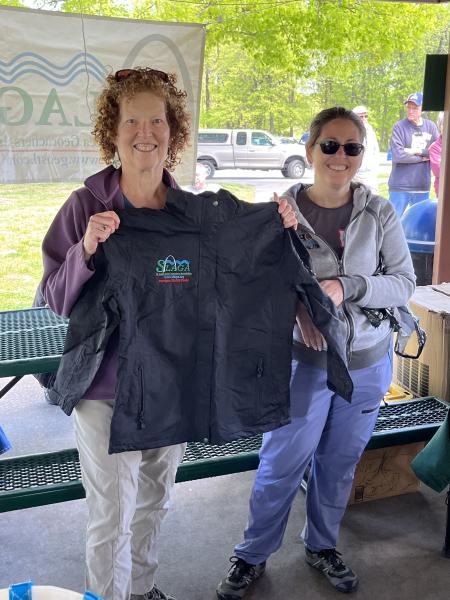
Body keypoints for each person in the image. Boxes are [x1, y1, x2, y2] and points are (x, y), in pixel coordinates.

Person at [40, 67, 297, 600]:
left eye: (156, 120)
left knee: (153, 503)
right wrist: (85, 249)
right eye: (131, 121)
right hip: (106, 393)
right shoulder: (86, 206)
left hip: (173, 385)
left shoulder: (194, 215)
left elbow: (234, 275)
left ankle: (142, 588)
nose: (145, 133)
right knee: (111, 515)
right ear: (112, 132)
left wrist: (277, 228)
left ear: (172, 130)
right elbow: (56, 298)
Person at [216, 106, 416, 599]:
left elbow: (403, 283)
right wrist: (297, 309)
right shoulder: (280, 214)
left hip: (367, 363)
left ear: (362, 155)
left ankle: (322, 545)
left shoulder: (380, 212)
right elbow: (253, 289)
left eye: (351, 147)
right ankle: (252, 554)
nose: (339, 156)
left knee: (339, 462)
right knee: (281, 462)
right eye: (329, 145)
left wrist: (347, 286)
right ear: (310, 150)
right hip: (302, 365)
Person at [388, 92, 439, 217]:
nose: (411, 111)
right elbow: (398, 155)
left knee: (419, 223)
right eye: (409, 107)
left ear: (422, 109)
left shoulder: (431, 127)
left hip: (422, 186)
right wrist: (423, 158)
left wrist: (419, 151)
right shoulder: (399, 127)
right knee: (392, 222)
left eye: (415, 108)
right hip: (400, 186)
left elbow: (438, 151)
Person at [352, 105, 380, 192]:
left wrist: (374, 167)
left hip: (369, 174)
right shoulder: (349, 131)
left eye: (366, 116)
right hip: (355, 174)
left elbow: (375, 150)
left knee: (373, 197)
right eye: (361, 116)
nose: (364, 118)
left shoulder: (370, 130)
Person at [429, 111, 444, 198]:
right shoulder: (435, 147)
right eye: (444, 124)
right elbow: (439, 171)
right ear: (440, 126)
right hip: (444, 191)